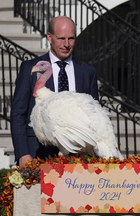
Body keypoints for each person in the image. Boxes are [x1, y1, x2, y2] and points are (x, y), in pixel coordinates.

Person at [11, 16, 99, 167]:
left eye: (71, 38)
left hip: (76, 158)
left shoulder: (87, 72)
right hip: (37, 154)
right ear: (49, 38)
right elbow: (18, 114)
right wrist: (23, 153)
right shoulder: (31, 69)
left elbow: (94, 117)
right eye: (61, 38)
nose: (66, 44)